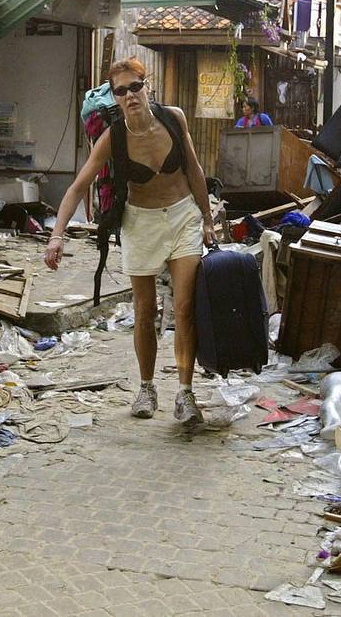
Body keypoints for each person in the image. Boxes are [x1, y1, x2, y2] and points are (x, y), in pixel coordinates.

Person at [44, 58, 216, 426]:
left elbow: (194, 169)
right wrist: (56, 236)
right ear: (115, 97)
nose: (130, 95)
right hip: (140, 223)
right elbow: (77, 187)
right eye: (120, 91)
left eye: (134, 86)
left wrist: (207, 218)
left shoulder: (174, 118)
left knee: (184, 306)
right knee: (144, 310)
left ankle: (185, 393)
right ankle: (147, 386)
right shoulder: (113, 139)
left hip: (183, 215)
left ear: (146, 85)